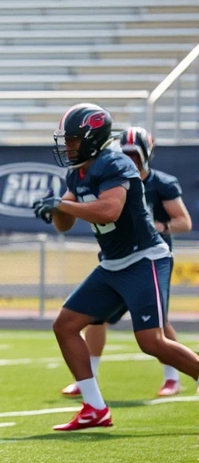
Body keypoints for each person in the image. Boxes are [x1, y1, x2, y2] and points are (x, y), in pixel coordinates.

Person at [33, 103, 199, 431]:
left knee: (151, 341)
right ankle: (94, 407)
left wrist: (63, 204)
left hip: (144, 258)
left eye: (73, 139)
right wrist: (55, 210)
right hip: (113, 263)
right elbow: (65, 225)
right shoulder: (76, 172)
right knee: (65, 325)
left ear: (93, 138)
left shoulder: (115, 162)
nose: (68, 146)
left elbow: (109, 210)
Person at [62, 126, 193, 399]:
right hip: (113, 260)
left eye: (135, 154)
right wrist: (59, 206)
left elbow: (184, 222)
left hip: (146, 258)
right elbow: (70, 216)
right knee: (84, 321)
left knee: (153, 333)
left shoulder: (154, 180)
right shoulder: (93, 173)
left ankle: (171, 376)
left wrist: (162, 226)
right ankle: (91, 390)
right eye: (126, 153)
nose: (130, 159)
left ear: (146, 154)